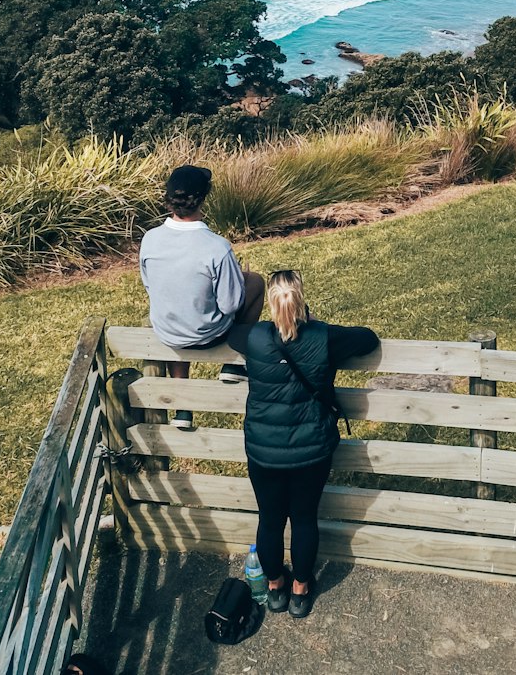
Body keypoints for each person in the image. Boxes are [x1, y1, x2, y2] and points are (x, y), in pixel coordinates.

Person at [226, 270, 379, 619]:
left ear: (271, 304)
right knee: (305, 519)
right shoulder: (324, 337)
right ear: (301, 301)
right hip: (312, 450)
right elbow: (368, 338)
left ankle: (276, 587)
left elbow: (230, 331)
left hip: (264, 451)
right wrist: (312, 323)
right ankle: (300, 591)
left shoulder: (254, 337)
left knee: (270, 519)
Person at [139, 165, 264, 429]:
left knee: (180, 304)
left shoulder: (150, 240)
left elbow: (150, 285)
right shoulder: (216, 247)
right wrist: (238, 281)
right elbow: (230, 304)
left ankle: (182, 411)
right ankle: (235, 361)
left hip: (168, 332)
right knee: (255, 282)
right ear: (204, 198)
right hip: (207, 335)